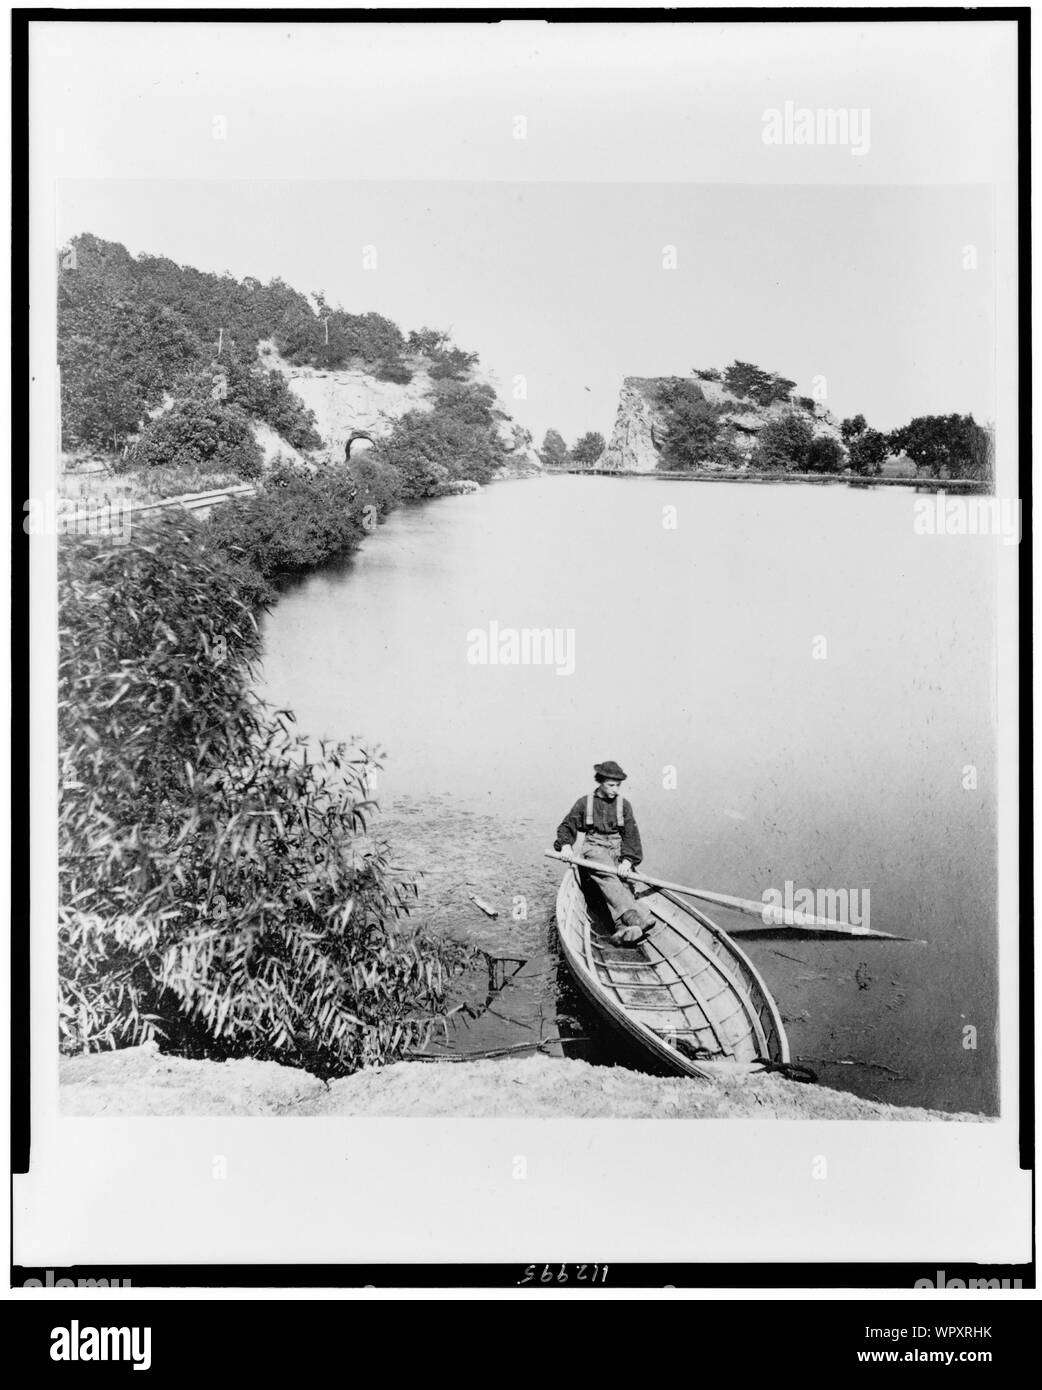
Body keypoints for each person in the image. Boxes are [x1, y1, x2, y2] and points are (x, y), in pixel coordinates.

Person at [553, 760, 655, 945]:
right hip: (594, 848)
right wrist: (566, 846)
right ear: (600, 782)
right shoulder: (584, 803)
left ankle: (622, 930)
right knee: (609, 876)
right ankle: (637, 917)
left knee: (624, 884)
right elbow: (567, 826)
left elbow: (631, 836)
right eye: (611, 785)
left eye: (618, 785)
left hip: (617, 849)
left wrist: (627, 861)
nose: (615, 789)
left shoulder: (624, 805)